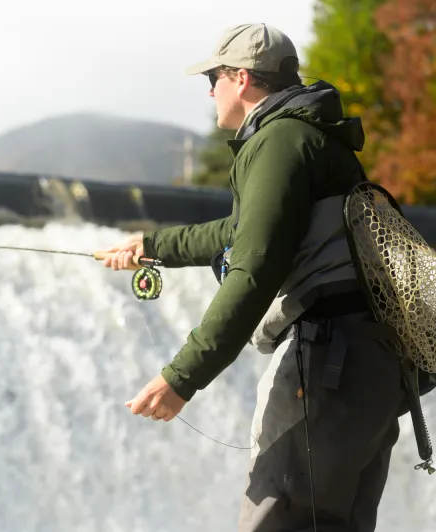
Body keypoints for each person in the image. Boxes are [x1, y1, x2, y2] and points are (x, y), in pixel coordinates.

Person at [98, 23, 408, 531]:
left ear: (241, 78)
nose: (209, 91)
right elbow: (248, 230)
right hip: (367, 363)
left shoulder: (279, 140)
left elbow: (254, 267)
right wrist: (151, 246)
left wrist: (181, 378)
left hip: (328, 359)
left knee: (277, 521)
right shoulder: (309, 136)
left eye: (214, 78)